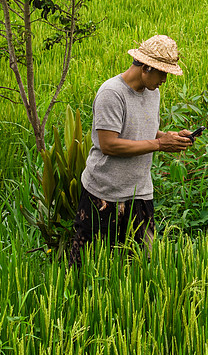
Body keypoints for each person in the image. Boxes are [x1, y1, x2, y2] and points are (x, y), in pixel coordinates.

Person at [68, 35, 194, 267]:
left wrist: (167, 138)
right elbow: (109, 144)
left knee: (143, 261)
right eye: (162, 73)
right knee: (88, 262)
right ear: (146, 67)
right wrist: (159, 145)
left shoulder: (152, 91)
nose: (165, 80)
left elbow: (144, 130)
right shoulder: (112, 93)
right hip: (104, 192)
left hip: (140, 191)